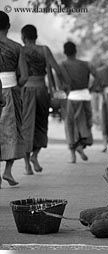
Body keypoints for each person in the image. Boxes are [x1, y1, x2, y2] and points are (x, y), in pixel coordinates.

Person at [21, 24, 65, 174]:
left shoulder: (20, 50)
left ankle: (27, 164)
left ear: (23, 37)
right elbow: (57, 70)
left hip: (25, 91)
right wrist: (61, 88)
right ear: (36, 36)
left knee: (26, 126)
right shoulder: (44, 50)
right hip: (41, 91)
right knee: (41, 125)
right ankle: (35, 156)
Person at [0, 11, 28, 188]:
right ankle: (8, 171)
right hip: (10, 90)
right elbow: (24, 76)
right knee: (12, 131)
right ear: (8, 26)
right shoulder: (17, 47)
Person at [61, 41, 100, 163]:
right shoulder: (86, 64)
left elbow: (59, 83)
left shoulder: (63, 65)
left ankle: (73, 156)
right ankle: (80, 147)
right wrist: (92, 89)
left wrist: (64, 91)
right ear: (76, 51)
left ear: (64, 52)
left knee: (71, 126)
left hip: (71, 97)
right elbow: (98, 77)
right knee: (85, 124)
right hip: (85, 96)